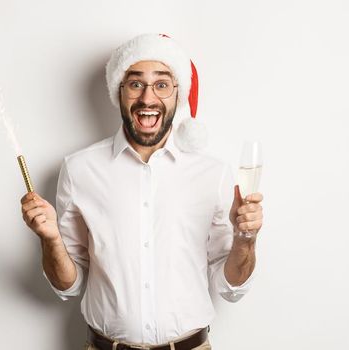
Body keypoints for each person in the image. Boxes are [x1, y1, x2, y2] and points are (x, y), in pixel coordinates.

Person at [20, 33, 264, 350]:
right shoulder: (79, 170)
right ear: (119, 91)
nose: (148, 98)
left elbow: (230, 286)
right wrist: (50, 239)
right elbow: (69, 285)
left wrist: (246, 239)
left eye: (161, 85)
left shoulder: (213, 174)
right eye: (135, 84)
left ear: (178, 94)